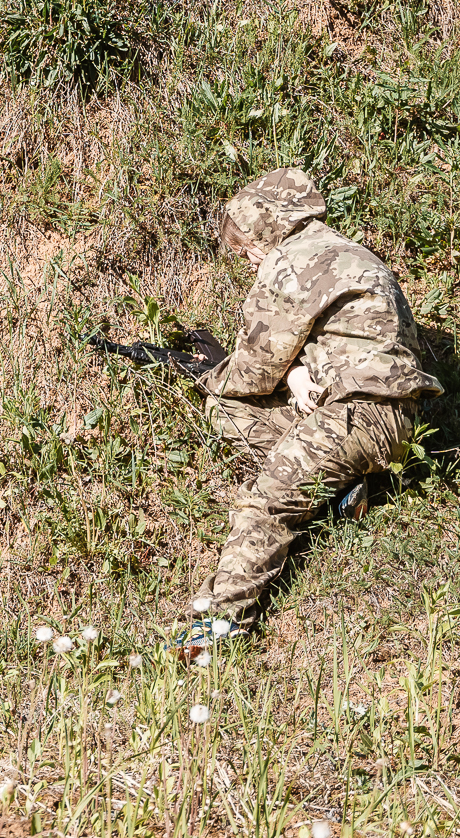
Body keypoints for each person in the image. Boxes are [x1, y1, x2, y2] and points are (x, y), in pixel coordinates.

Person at [182, 168, 442, 646]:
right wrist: (294, 374)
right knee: (230, 411)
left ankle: (216, 627)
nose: (250, 259)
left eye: (247, 248)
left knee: (265, 502)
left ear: (266, 229)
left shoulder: (289, 263)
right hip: (393, 415)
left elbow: (254, 372)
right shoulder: (350, 252)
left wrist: (203, 371)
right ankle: (343, 491)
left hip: (357, 410)